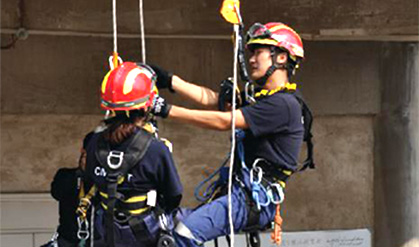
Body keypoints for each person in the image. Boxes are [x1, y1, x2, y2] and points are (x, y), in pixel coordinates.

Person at [150, 22, 308, 246]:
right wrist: (170, 80)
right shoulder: (262, 97)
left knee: (184, 234)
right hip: (239, 191)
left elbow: (225, 121)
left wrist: (166, 110)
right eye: (250, 52)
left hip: (252, 200)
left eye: (258, 52)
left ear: (281, 57)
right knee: (168, 223)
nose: (252, 59)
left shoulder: (283, 105)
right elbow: (214, 100)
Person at [84, 62, 183, 247]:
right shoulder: (156, 149)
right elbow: (174, 195)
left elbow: (91, 181)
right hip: (145, 234)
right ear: (147, 106)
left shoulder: (94, 143)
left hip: (106, 233)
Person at [50, 132, 94, 247]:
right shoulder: (65, 175)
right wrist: (82, 171)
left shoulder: (107, 181)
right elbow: (57, 193)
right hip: (67, 240)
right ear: (83, 151)